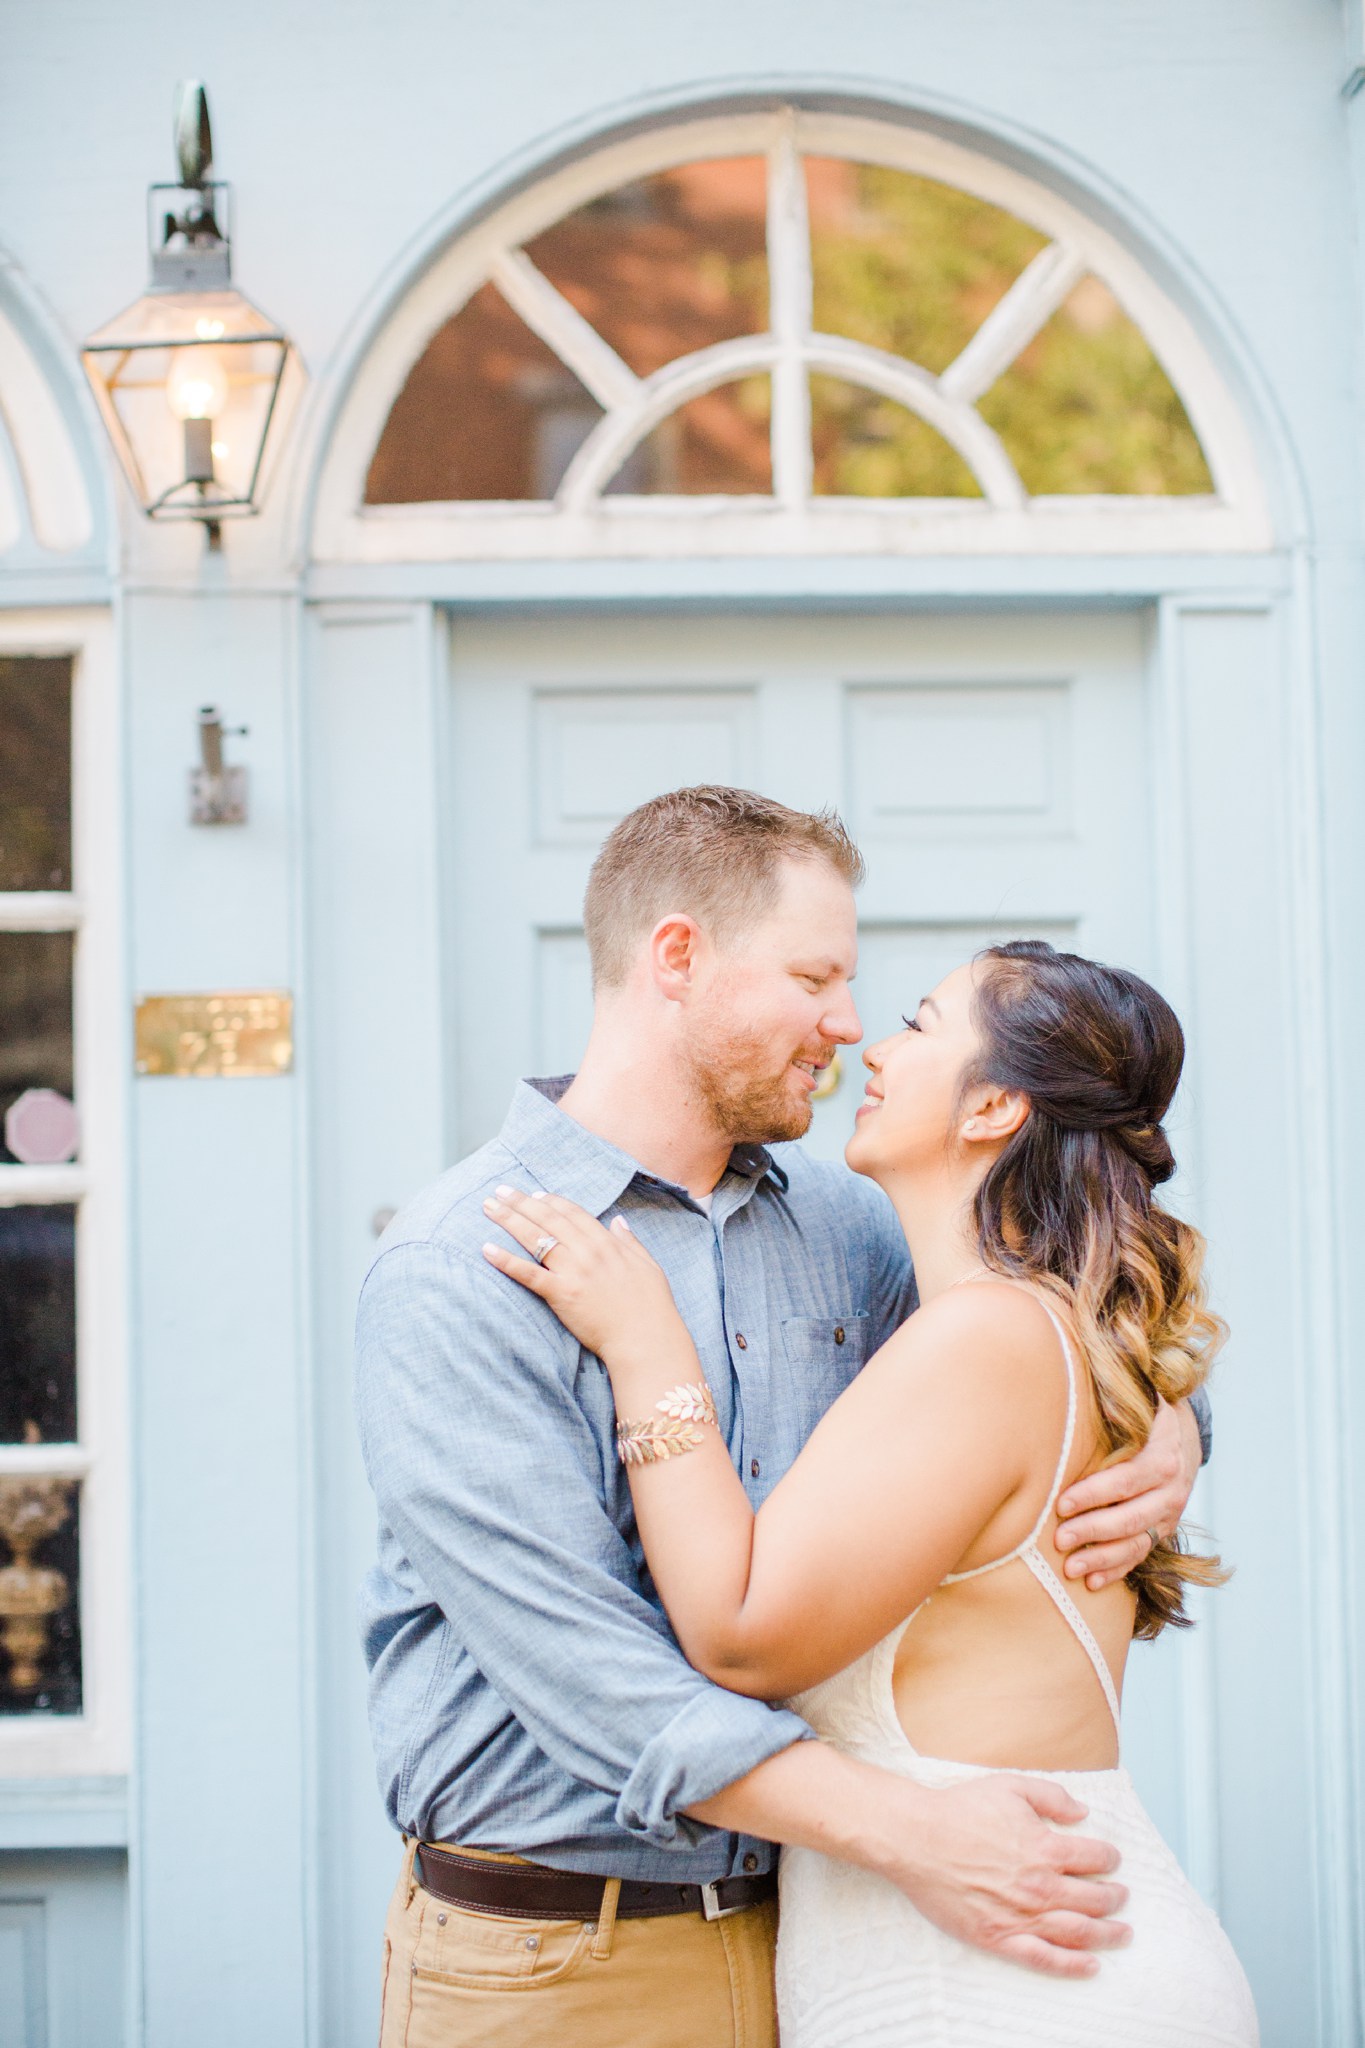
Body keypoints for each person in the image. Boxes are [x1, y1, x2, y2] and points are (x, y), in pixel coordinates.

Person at [354, 788, 1208, 2048]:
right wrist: (915, 1832)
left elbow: (1064, 1345)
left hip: (836, 1927)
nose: (849, 1024)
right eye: (816, 975)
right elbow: (594, 1676)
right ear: (680, 957)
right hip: (571, 1959)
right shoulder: (458, 1264)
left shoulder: (853, 1224)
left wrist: (1177, 1426)